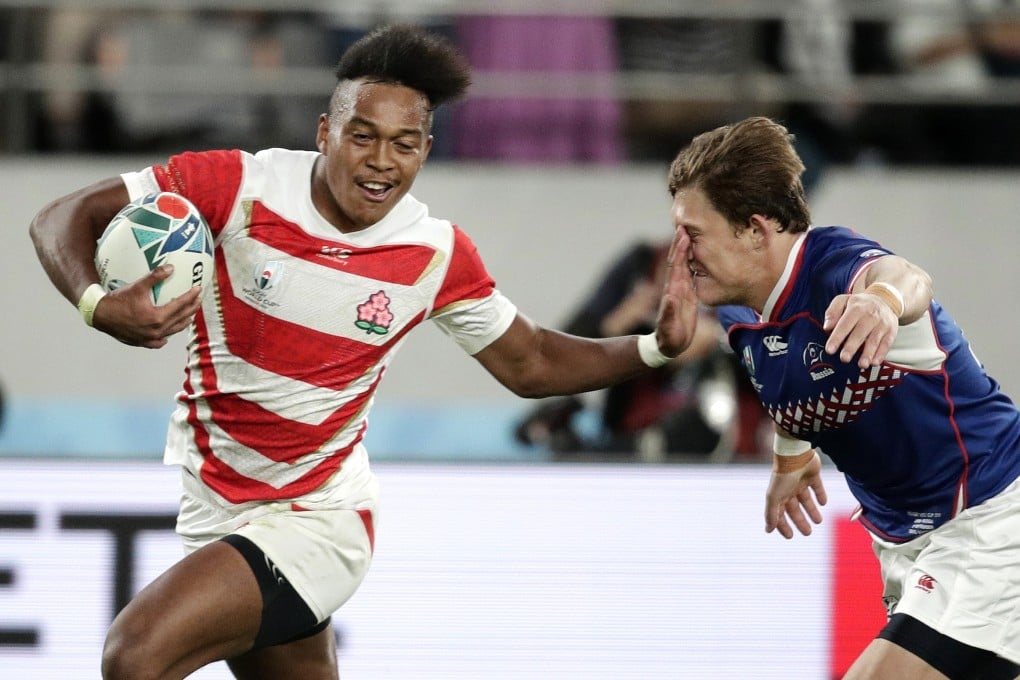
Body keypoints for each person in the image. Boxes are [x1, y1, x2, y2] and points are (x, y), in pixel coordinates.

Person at [28, 24, 697, 680]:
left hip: (317, 520)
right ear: (325, 131)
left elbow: (532, 363)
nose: (382, 161)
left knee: (134, 654)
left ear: (426, 150)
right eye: (363, 136)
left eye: (405, 144)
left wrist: (654, 349)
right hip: (216, 504)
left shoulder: (435, 253)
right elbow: (60, 218)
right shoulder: (239, 186)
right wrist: (97, 303)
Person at [667, 115, 1020, 680]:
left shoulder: (833, 265)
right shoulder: (737, 310)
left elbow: (905, 277)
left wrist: (880, 301)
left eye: (695, 232)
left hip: (989, 517)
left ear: (755, 230)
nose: (680, 249)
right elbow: (787, 372)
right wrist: (791, 453)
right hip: (905, 542)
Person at [513, 239, 771, 462]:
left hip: (731, 452)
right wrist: (614, 328)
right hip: (632, 446)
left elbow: (788, 358)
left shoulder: (756, 275)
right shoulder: (639, 265)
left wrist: (718, 340)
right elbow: (561, 351)